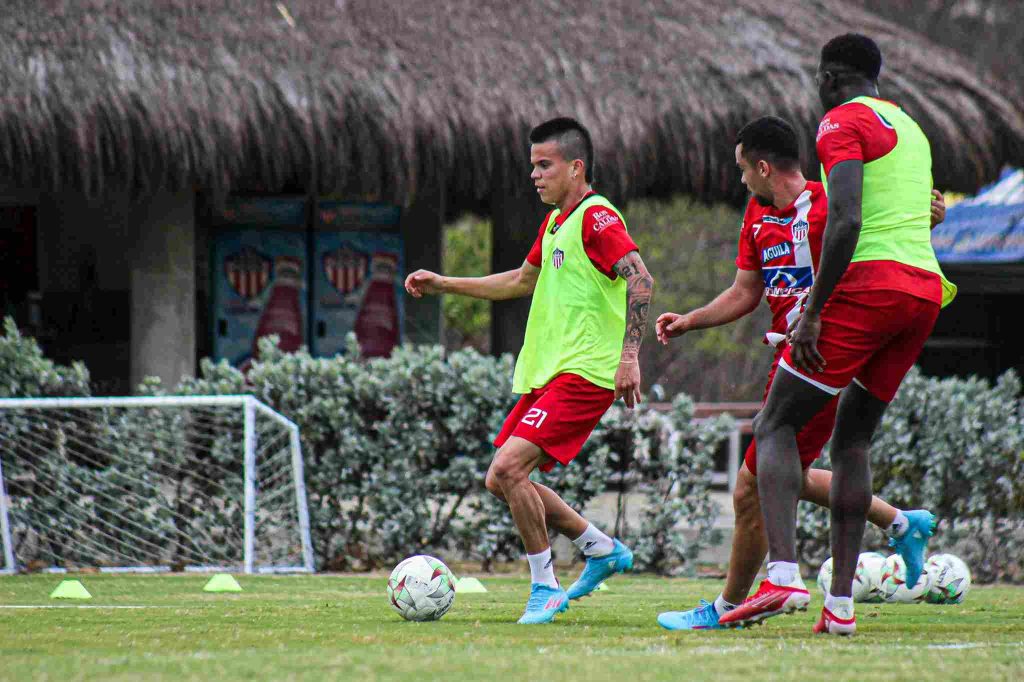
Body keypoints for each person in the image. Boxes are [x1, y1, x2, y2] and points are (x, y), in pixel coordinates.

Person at [654, 115, 946, 631]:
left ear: (763, 167)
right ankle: (900, 521)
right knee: (779, 471)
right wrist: (689, 321)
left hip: (825, 356)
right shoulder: (756, 216)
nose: (741, 179)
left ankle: (735, 604)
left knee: (754, 482)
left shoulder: (832, 202)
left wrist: (929, 217)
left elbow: (881, 232)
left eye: (744, 169)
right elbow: (746, 293)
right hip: (789, 362)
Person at [718, 34, 957, 635]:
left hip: (870, 288)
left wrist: (816, 311)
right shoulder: (914, 128)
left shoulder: (837, 124)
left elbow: (846, 218)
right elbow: (906, 208)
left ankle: (782, 577)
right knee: (852, 441)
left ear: (829, 78)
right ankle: (841, 608)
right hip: (924, 291)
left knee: (774, 425)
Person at [405, 117, 654, 624]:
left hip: (586, 372)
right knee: (501, 480)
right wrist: (443, 284)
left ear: (575, 167)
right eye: (532, 166)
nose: (535, 175)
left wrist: (629, 357)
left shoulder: (596, 218)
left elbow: (641, 279)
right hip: (550, 373)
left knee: (508, 469)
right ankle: (600, 547)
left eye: (545, 165)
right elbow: (520, 281)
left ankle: (544, 586)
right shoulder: (557, 223)